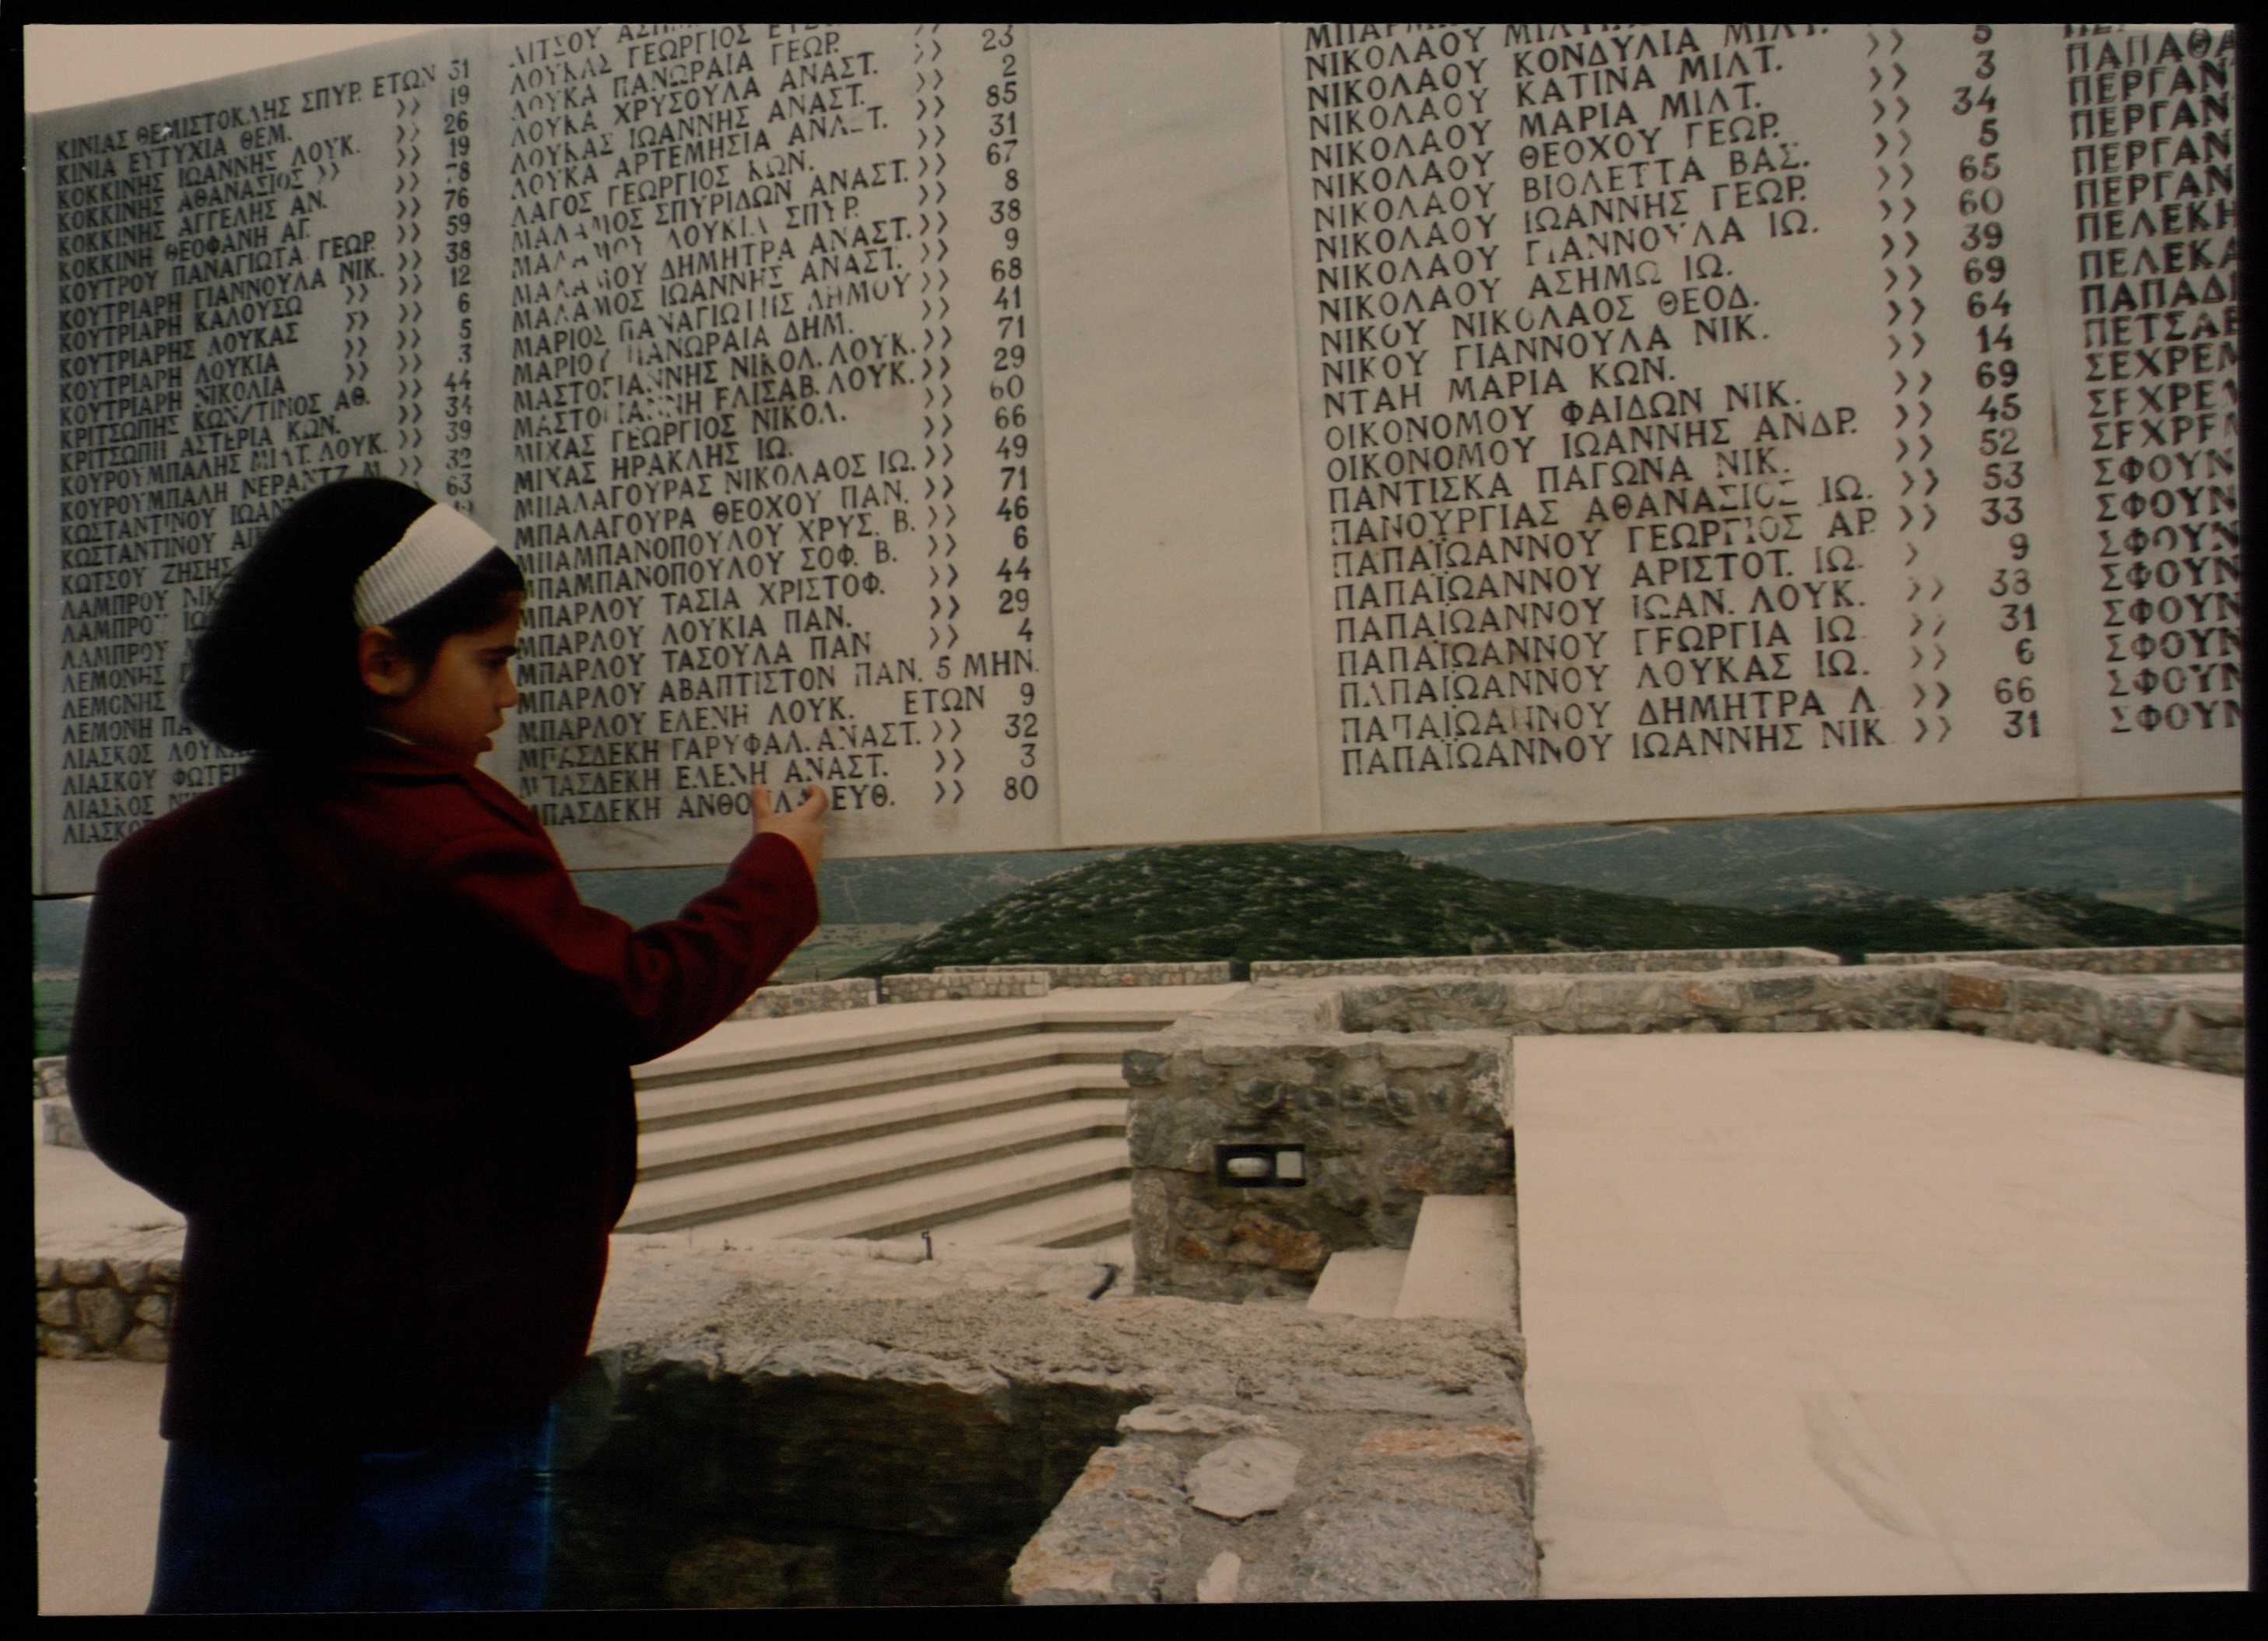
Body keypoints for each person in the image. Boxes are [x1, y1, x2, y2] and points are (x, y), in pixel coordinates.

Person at [66, 478, 828, 1612]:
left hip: (251, 1362)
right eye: (490, 660)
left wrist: (280, 1209)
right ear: (381, 661)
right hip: (442, 1372)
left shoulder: (156, 862)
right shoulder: (442, 837)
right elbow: (630, 993)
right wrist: (777, 871)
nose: (509, 695)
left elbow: (123, 1110)